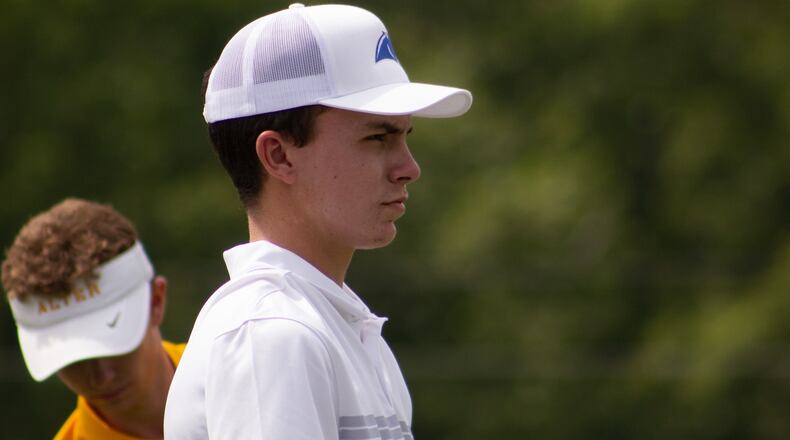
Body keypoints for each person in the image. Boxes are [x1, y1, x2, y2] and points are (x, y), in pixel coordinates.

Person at [164, 3, 472, 439]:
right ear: (278, 156)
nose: (409, 167)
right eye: (377, 137)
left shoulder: (343, 330)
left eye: (404, 136)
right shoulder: (271, 333)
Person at [2, 198, 185, 439]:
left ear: (156, 301)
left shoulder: (243, 368)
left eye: (113, 344)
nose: (101, 377)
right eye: (72, 359)